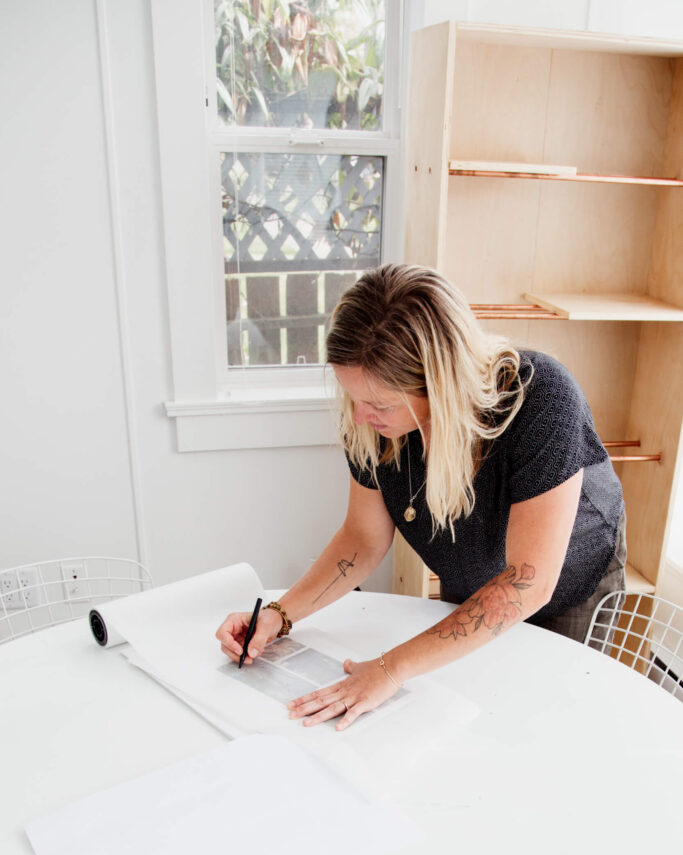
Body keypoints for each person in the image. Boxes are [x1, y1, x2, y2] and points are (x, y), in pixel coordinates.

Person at [216, 264, 626, 730]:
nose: (361, 415)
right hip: (471, 570)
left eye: (381, 404)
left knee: (544, 719)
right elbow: (362, 539)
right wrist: (279, 614)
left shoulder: (542, 399)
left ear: (442, 385)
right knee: (467, 709)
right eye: (353, 397)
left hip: (569, 582)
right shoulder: (374, 422)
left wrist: (389, 668)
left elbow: (526, 583)